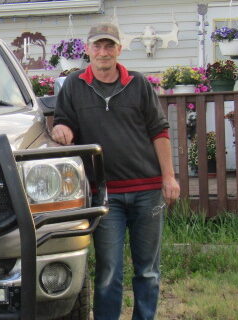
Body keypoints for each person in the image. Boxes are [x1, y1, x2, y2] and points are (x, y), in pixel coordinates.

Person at [51, 22, 180, 320]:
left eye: (109, 46)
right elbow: (63, 122)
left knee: (148, 269)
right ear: (87, 50)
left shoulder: (138, 84)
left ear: (119, 50)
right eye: (97, 45)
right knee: (109, 269)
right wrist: (61, 129)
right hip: (105, 196)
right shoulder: (73, 85)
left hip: (147, 191)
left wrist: (169, 177)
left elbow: (159, 131)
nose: (103, 51)